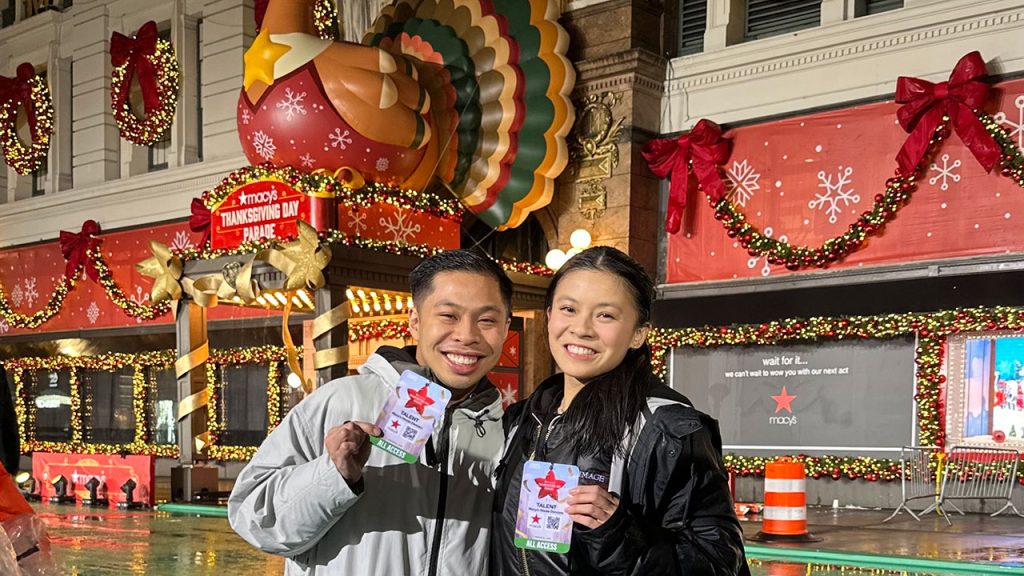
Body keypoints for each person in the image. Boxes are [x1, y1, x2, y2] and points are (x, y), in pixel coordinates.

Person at [229, 250, 512, 575]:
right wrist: (333, 476)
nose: (467, 335)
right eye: (449, 316)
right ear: (415, 321)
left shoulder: (507, 430)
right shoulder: (339, 401)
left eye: (487, 320)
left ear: (505, 328)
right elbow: (254, 519)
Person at [491, 246, 750, 575]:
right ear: (549, 316)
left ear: (638, 334)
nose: (581, 328)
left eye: (605, 315)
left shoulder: (666, 430)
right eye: (568, 309)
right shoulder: (520, 420)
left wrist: (618, 534)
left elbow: (718, 561)